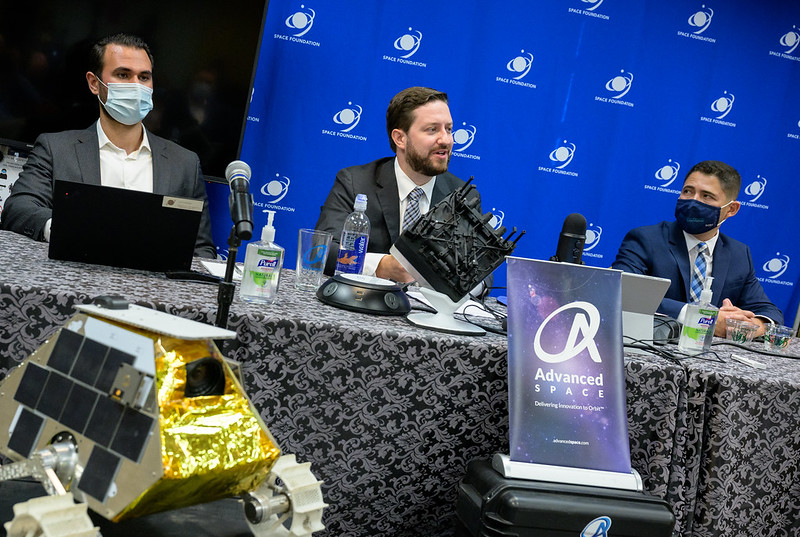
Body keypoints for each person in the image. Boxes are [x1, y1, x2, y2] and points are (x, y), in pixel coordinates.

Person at [0, 33, 216, 258]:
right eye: (123, 74)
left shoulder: (184, 164)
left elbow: (202, 250)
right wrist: (66, 230)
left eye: (144, 77)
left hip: (153, 291)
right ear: (94, 83)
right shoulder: (56, 149)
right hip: (75, 285)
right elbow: (19, 208)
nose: (136, 86)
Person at [316, 86, 478, 282]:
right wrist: (380, 266)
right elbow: (323, 250)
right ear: (400, 138)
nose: (445, 139)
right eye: (432, 129)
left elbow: (483, 272)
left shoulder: (463, 196)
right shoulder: (354, 182)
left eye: (449, 129)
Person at [612, 160, 783, 336]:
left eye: (706, 196)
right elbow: (622, 291)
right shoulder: (646, 239)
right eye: (687, 191)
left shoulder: (739, 254)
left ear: (731, 209)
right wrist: (703, 319)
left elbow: (768, 312)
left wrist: (747, 326)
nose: (693, 202)